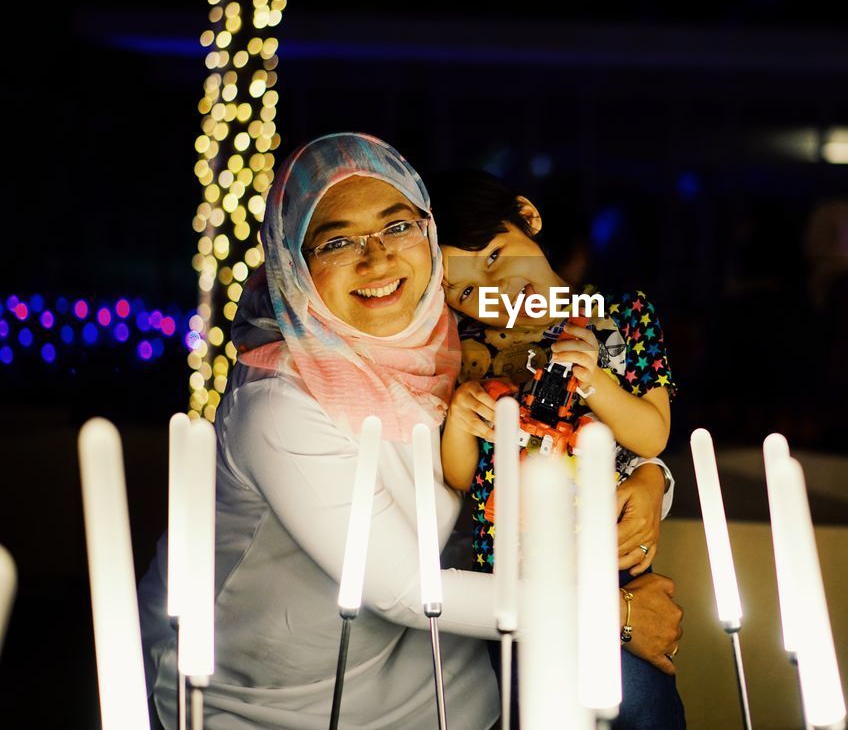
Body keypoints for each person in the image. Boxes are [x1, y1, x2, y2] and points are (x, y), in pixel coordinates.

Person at [136, 134, 683, 728]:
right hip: (270, 704)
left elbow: (564, 435)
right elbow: (400, 588)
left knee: (623, 692)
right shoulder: (279, 402)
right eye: (337, 241)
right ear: (293, 261)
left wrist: (653, 479)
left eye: (397, 228)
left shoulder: (459, 338)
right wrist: (613, 613)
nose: (377, 261)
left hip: (446, 682)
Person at [427, 168, 686, 729]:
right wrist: (457, 423)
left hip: (606, 560)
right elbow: (461, 480)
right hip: (510, 577)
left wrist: (597, 383)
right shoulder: (465, 348)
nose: (493, 293)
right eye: (466, 290)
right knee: (537, 707)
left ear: (528, 217)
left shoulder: (623, 314)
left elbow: (653, 434)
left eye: (494, 257)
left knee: (641, 705)